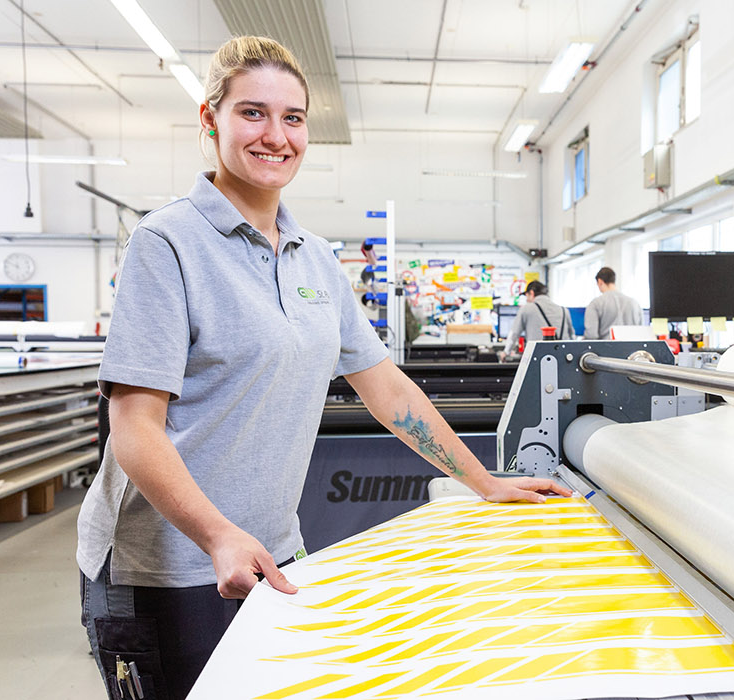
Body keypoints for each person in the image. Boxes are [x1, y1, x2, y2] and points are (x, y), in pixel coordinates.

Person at [76, 36, 568, 699]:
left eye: (294, 118)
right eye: (253, 113)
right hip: (168, 567)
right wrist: (218, 534)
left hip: (273, 551)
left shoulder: (313, 258)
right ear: (209, 119)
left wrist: (484, 482)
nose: (276, 136)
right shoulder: (166, 243)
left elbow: (385, 387)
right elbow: (135, 428)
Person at [504, 280, 574, 354]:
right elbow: (572, 336)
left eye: (527, 296)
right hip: (562, 358)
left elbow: (514, 333)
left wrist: (505, 352)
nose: (527, 300)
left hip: (538, 358)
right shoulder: (564, 310)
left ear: (531, 293)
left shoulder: (526, 309)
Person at [583, 267, 643, 339]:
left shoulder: (595, 304)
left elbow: (591, 335)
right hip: (631, 349)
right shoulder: (635, 303)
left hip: (605, 349)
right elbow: (641, 333)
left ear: (600, 282)